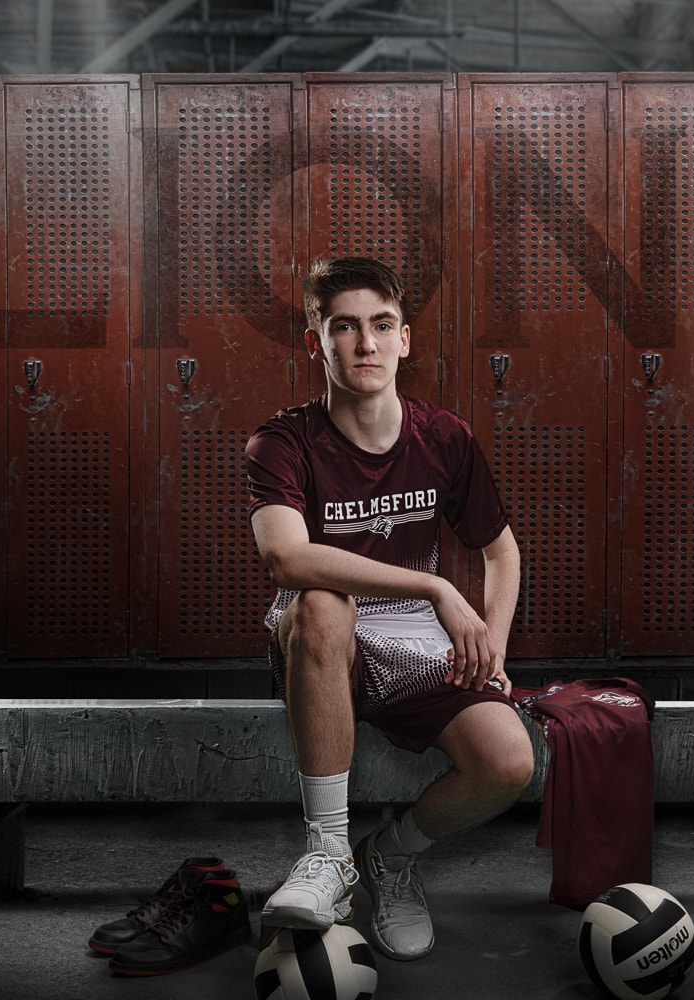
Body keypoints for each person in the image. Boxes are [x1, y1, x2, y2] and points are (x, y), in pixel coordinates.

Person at [244, 256, 534, 962]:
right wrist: (437, 588)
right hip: (320, 644)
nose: (365, 344)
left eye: (381, 326)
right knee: (322, 604)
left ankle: (389, 857)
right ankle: (328, 855)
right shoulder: (282, 443)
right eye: (344, 327)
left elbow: (502, 552)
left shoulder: (444, 439)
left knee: (509, 762)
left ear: (405, 339)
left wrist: (490, 645)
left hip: (412, 647)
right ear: (316, 343)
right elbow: (285, 557)